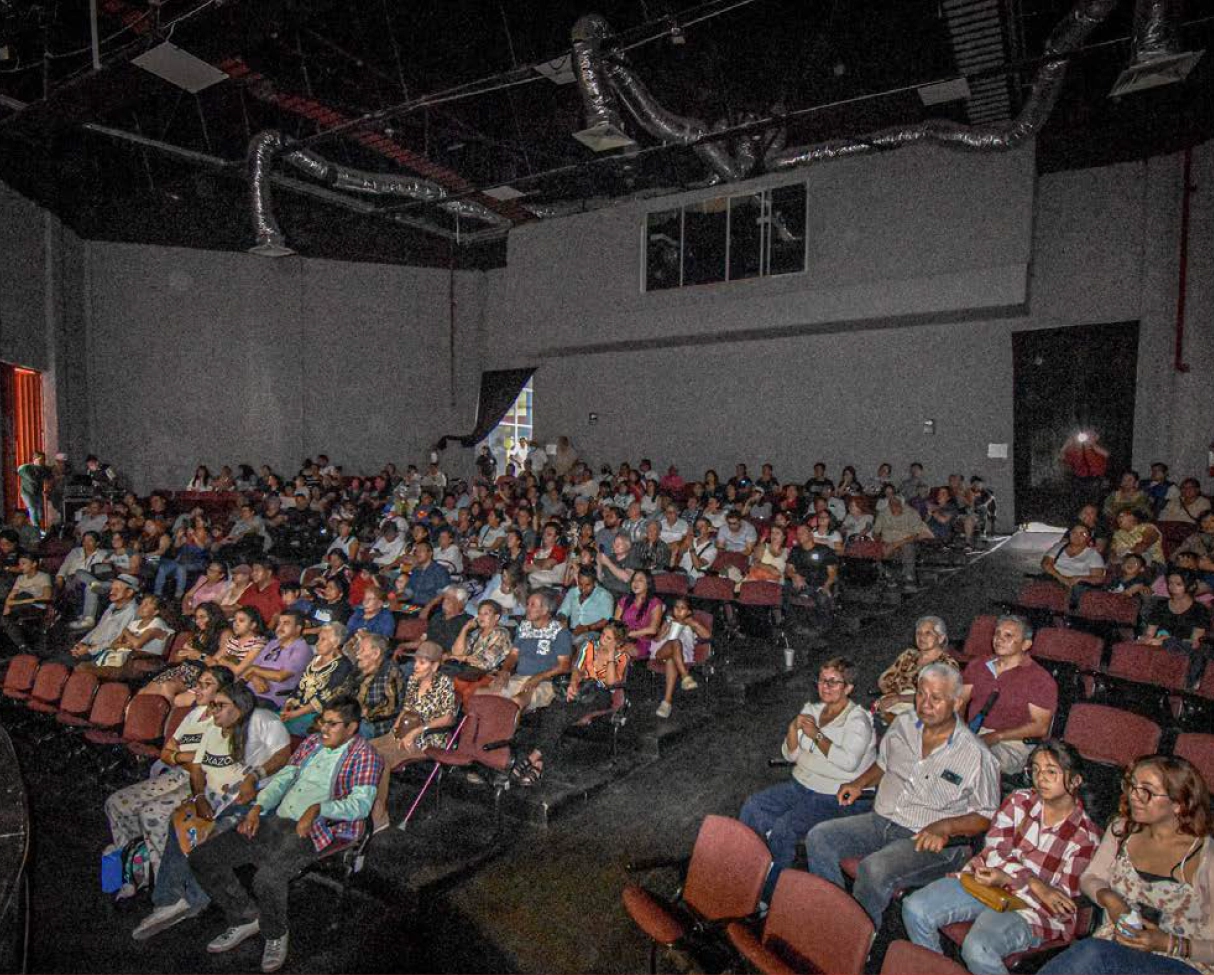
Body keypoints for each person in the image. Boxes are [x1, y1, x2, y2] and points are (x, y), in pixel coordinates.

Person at [190, 697, 383, 973]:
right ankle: (245, 917)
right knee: (203, 856)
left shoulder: (365, 756)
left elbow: (360, 805)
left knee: (268, 878)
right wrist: (258, 807)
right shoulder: (312, 744)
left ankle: (275, 933)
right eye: (322, 722)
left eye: (332, 724)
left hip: (322, 830)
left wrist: (319, 809)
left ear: (352, 728)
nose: (324, 729)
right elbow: (284, 778)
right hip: (280, 818)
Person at [804, 663, 1000, 927]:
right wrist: (860, 782)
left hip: (927, 840)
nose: (925, 704)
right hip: (881, 819)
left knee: (873, 869)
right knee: (819, 837)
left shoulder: (977, 756)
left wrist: (946, 826)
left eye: (936, 698)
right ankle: (833, 918)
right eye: (921, 694)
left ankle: (857, 937)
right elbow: (884, 764)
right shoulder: (904, 724)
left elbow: (986, 816)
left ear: (956, 703)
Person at [902, 740, 1102, 975]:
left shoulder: (1085, 838)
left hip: (1031, 910)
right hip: (990, 884)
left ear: (1075, 780)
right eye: (1035, 770)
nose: (1041, 778)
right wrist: (1031, 882)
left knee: (979, 948)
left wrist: (1010, 878)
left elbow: (1058, 902)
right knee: (915, 908)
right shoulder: (1020, 800)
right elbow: (995, 850)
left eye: (1051, 771)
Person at [110, 680, 290, 900]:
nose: (198, 690)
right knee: (115, 803)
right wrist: (193, 779)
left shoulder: (254, 723)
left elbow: (276, 757)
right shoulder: (198, 716)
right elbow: (170, 754)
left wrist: (189, 767)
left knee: (155, 815)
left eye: (208, 686)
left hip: (211, 785)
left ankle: (166, 885)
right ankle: (131, 872)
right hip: (187, 775)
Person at [1038, 754, 1213, 975]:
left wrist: (1169, 943)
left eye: (1146, 791)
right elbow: (1090, 879)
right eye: (1131, 786)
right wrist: (1110, 899)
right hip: (1115, 946)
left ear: (1177, 803)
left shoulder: (1205, 857)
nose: (1133, 796)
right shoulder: (1122, 830)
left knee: (1094, 955)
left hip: (1180, 963)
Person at [741, 657, 878, 902]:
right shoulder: (811, 710)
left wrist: (816, 735)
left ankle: (766, 897)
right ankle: (747, 876)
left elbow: (848, 762)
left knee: (784, 828)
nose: (825, 686)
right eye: (822, 681)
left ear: (848, 688)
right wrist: (793, 730)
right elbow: (790, 753)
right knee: (753, 805)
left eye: (833, 682)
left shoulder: (859, 720)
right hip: (801, 784)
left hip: (834, 796)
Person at [367, 641, 457, 830]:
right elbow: (407, 709)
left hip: (429, 739)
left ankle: (379, 814)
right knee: (366, 748)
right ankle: (359, 802)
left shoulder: (444, 683)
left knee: (381, 759)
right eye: (416, 661)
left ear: (435, 665)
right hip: (406, 731)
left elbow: (448, 718)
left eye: (423, 663)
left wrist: (418, 731)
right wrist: (395, 730)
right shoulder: (414, 680)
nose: (416, 666)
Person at [959, 615, 1058, 775]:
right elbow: (959, 702)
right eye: (997, 633)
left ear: (1026, 645)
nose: (999, 639)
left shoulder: (1039, 679)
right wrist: (960, 728)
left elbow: (1040, 727)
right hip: (972, 732)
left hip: (1011, 743)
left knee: (970, 759)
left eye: (1008, 636)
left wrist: (996, 736)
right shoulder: (978, 665)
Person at [481, 590, 572, 715]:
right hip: (519, 678)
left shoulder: (559, 632)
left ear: (545, 610)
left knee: (515, 702)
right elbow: (513, 655)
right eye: (528, 604)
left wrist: (538, 677)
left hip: (544, 682)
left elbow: (564, 666)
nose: (527, 608)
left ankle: (505, 733)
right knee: (480, 694)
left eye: (532, 605)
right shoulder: (524, 628)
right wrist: (505, 671)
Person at [139, 602, 231, 704]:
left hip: (200, 673)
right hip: (182, 669)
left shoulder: (224, 633)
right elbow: (178, 659)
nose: (198, 621)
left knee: (167, 686)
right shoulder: (198, 633)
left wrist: (198, 655)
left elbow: (216, 665)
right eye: (196, 618)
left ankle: (165, 716)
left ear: (213, 616)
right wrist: (182, 653)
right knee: (145, 690)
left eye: (202, 617)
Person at [875, 616, 959, 723]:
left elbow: (938, 696)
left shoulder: (946, 664)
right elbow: (886, 680)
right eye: (919, 633)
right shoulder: (909, 655)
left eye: (928, 633)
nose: (922, 637)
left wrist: (899, 698)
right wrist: (891, 696)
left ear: (941, 638)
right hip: (895, 703)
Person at [280, 621, 355, 735]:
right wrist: (289, 705)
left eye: (323, 639)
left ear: (336, 643)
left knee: (277, 728)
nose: (317, 643)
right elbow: (300, 686)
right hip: (297, 709)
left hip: (317, 716)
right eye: (318, 638)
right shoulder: (316, 659)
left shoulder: (343, 665)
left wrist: (295, 714)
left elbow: (324, 697)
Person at [76, 593, 171, 677]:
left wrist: (126, 632)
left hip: (141, 662)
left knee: (86, 671)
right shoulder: (134, 623)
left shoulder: (158, 624)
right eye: (142, 603)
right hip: (121, 659)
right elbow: (114, 644)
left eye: (146, 605)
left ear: (155, 612)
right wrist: (127, 645)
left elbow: (137, 644)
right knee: (81, 667)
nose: (141, 607)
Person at [1142, 569, 1210, 684]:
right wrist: (1148, 638)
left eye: (1178, 584)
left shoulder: (1199, 610)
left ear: (1191, 586)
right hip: (1159, 643)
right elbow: (1150, 632)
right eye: (1170, 583)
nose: (1172, 587)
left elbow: (1195, 642)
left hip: (1183, 648)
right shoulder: (1161, 605)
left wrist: (1167, 641)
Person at [650, 597, 710, 718]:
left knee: (671, 660)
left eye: (682, 608)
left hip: (681, 657)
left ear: (688, 612)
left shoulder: (691, 624)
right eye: (676, 607)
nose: (678, 611)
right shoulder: (668, 621)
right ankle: (685, 676)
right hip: (662, 652)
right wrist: (663, 632)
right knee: (675, 642)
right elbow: (656, 640)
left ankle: (666, 702)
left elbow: (707, 636)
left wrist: (694, 623)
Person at [64, 573, 140, 664]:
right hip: (89, 649)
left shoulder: (132, 612)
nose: (111, 592)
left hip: (102, 655)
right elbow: (98, 629)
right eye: (112, 588)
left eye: (117, 589)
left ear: (129, 592)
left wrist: (89, 650)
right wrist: (81, 643)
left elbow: (115, 641)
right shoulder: (112, 606)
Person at [243, 610, 313, 708]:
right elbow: (249, 669)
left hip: (271, 698)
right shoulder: (273, 643)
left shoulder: (302, 649)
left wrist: (254, 670)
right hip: (250, 691)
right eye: (279, 623)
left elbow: (280, 676)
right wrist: (255, 677)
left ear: (298, 628)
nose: (280, 627)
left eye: (286, 623)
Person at [785, 523, 839, 631]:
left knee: (822, 598)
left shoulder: (824, 550)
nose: (799, 535)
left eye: (803, 532)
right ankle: (791, 624)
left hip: (819, 584)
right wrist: (795, 576)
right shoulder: (796, 551)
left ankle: (824, 628)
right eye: (798, 533)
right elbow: (788, 569)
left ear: (810, 534)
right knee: (782, 589)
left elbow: (832, 573)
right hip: (801, 584)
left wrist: (827, 586)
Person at [873, 495, 934, 589]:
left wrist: (895, 545)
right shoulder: (883, 513)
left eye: (896, 504)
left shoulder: (912, 513)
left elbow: (916, 535)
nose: (893, 506)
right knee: (878, 549)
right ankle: (887, 577)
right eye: (891, 504)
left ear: (902, 504)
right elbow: (875, 532)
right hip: (887, 542)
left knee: (908, 547)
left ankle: (908, 578)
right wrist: (880, 542)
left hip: (907, 541)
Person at [354, 632, 404, 737]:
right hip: (355, 717)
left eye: (362, 650)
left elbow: (391, 707)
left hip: (376, 724)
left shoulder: (391, 672)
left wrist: (367, 713)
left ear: (376, 653)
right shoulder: (359, 669)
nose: (358, 654)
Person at [1, 553, 52, 655]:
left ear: (34, 564)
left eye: (24, 563)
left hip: (35, 607)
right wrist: (8, 606)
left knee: (24, 595)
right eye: (19, 564)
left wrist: (23, 601)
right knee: (4, 618)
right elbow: (9, 599)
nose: (20, 566)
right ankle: (23, 646)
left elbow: (46, 597)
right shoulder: (20, 578)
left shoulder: (43, 577)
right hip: (19, 606)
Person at [557, 567, 615, 651]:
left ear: (594, 583)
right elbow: (563, 611)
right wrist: (563, 619)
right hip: (573, 632)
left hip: (594, 632)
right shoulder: (573, 592)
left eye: (587, 585)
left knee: (578, 642)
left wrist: (586, 628)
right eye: (580, 584)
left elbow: (606, 620)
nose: (583, 588)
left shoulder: (604, 596)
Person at [1042, 525, 1108, 596]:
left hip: (1077, 589)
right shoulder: (1059, 547)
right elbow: (1046, 564)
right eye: (1074, 532)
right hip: (1054, 581)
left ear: (1088, 538)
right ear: (1069, 534)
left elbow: (1098, 578)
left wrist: (1080, 578)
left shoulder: (1093, 555)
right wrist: (1063, 579)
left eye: (1083, 534)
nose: (1077, 536)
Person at [615, 570, 664, 660]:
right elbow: (615, 623)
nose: (635, 583)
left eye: (640, 580)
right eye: (634, 580)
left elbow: (653, 630)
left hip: (641, 640)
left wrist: (631, 634)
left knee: (621, 651)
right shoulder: (624, 600)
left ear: (648, 584)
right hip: (621, 637)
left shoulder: (655, 603)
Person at [17, 451, 51, 531]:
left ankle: (34, 526)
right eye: (41, 459)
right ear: (35, 459)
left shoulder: (44, 469)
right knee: (32, 509)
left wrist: (48, 488)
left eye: (44, 460)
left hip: (37, 493)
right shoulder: (27, 467)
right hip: (27, 492)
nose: (42, 461)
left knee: (40, 513)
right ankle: (36, 529)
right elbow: (20, 470)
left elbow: (50, 477)